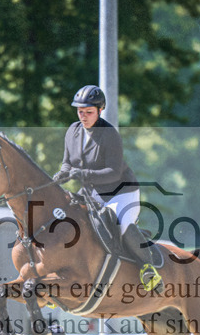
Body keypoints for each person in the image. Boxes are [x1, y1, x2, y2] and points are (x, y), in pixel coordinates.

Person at [53, 85, 161, 291]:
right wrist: (63, 174)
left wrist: (82, 174)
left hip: (121, 192)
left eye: (88, 112)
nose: (83, 116)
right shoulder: (73, 131)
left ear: (100, 110)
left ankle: (148, 266)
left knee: (120, 222)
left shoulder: (109, 134)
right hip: (94, 193)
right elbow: (67, 161)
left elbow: (113, 172)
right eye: (80, 111)